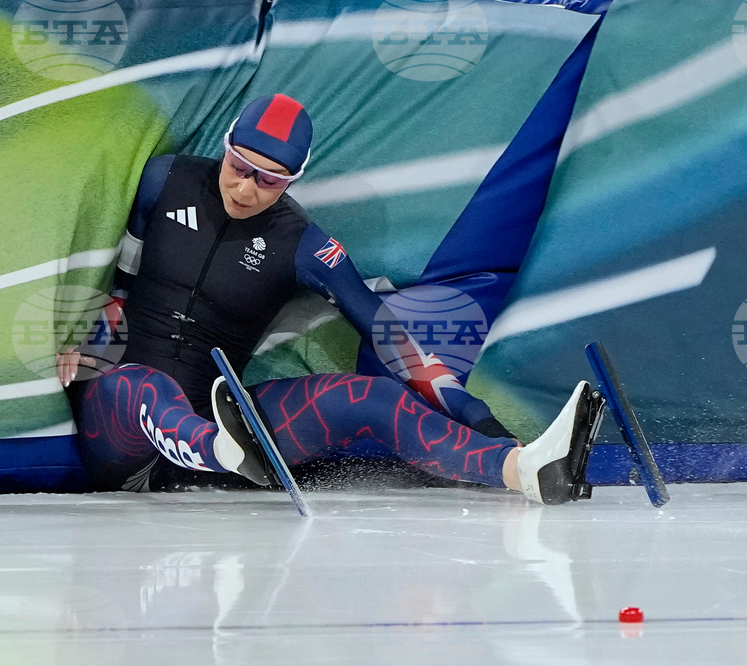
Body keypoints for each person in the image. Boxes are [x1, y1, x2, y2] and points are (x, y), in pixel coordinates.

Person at [57, 93, 595, 505]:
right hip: (120, 429)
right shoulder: (165, 179)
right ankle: (219, 447)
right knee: (143, 385)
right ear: (224, 148)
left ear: (293, 180)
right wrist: (87, 343)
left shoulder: (305, 245)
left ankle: (524, 470)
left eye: (269, 181)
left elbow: (388, 337)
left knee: (371, 397)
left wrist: (481, 418)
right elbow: (118, 285)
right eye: (239, 168)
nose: (245, 190)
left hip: (224, 435)